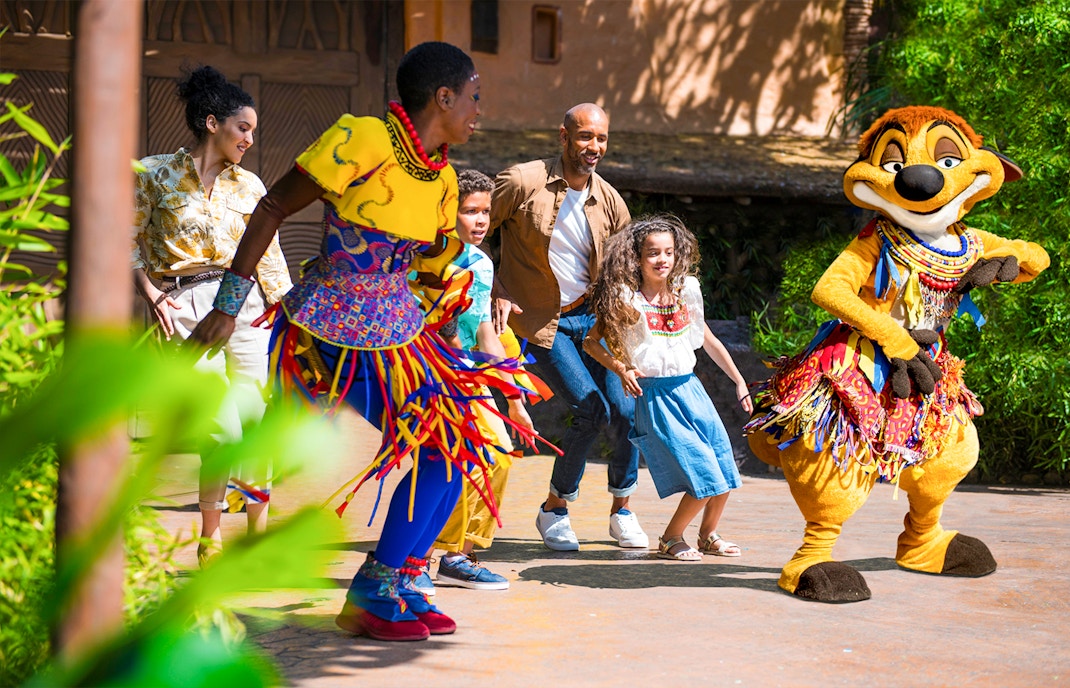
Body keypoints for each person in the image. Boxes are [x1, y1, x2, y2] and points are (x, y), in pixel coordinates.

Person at [189, 42, 543, 642]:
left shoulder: (444, 177)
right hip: (336, 324)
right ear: (444, 97)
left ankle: (402, 580)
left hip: (399, 328)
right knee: (442, 443)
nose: (480, 110)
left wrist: (472, 343)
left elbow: (434, 268)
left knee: (459, 446)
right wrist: (228, 306)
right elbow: (273, 204)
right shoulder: (363, 139)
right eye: (475, 97)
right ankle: (373, 593)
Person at [131, 65, 292, 567]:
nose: (249, 138)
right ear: (211, 123)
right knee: (219, 426)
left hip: (245, 305)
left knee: (254, 420)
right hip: (183, 307)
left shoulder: (250, 186)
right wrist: (151, 294)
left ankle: (258, 536)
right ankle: (210, 531)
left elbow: (269, 255)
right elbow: (123, 239)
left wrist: (285, 314)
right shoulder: (153, 173)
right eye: (243, 127)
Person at [489, 103, 647, 551]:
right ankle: (555, 509)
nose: (593, 147)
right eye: (584, 137)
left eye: (600, 139)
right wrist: (497, 287)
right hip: (542, 320)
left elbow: (623, 269)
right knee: (591, 408)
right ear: (563, 137)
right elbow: (472, 230)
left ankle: (623, 509)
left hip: (595, 319)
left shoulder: (611, 201)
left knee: (625, 409)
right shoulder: (522, 181)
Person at [583, 215, 753, 560]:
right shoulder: (628, 300)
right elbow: (590, 342)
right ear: (637, 258)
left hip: (691, 390)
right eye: (653, 253)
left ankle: (707, 535)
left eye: (669, 252)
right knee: (704, 473)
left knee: (724, 466)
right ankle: (671, 537)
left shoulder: (685, 292)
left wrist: (738, 380)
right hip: (657, 396)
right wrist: (620, 368)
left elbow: (708, 340)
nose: (662, 260)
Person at [417, 169, 540, 592]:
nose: (481, 220)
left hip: (471, 377)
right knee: (444, 463)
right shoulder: (425, 260)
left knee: (498, 456)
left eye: (486, 211)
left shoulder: (482, 263)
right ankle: (417, 558)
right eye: (470, 211)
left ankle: (460, 555)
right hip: (427, 375)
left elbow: (486, 331)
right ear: (447, 213)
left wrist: (514, 397)